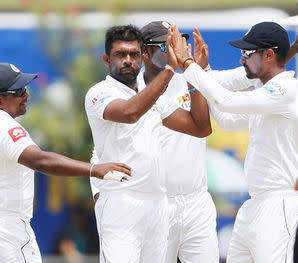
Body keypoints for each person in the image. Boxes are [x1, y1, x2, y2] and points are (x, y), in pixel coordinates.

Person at [0, 62, 132, 263]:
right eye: (19, 91)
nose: (26, 95)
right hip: (6, 229)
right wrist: (94, 169)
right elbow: (40, 160)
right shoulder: (4, 127)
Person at [170, 22, 298, 263]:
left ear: (269, 55)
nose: (241, 60)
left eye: (247, 54)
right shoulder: (266, 94)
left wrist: (187, 64)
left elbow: (225, 101)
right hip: (254, 205)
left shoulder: (286, 90)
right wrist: (204, 70)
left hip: (280, 204)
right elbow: (226, 118)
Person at [85, 24, 211, 263]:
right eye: (120, 54)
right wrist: (171, 69)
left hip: (157, 204)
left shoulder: (153, 99)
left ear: (142, 57)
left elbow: (200, 128)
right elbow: (129, 113)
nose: (128, 61)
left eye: (133, 54)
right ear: (106, 59)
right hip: (121, 203)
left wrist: (195, 72)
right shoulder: (99, 93)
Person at [140, 21, 219, 263]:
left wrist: (196, 71)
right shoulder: (133, 92)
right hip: (156, 204)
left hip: (197, 202)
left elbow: (203, 127)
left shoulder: (190, 78)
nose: (175, 49)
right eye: (166, 44)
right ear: (145, 52)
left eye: (177, 41)